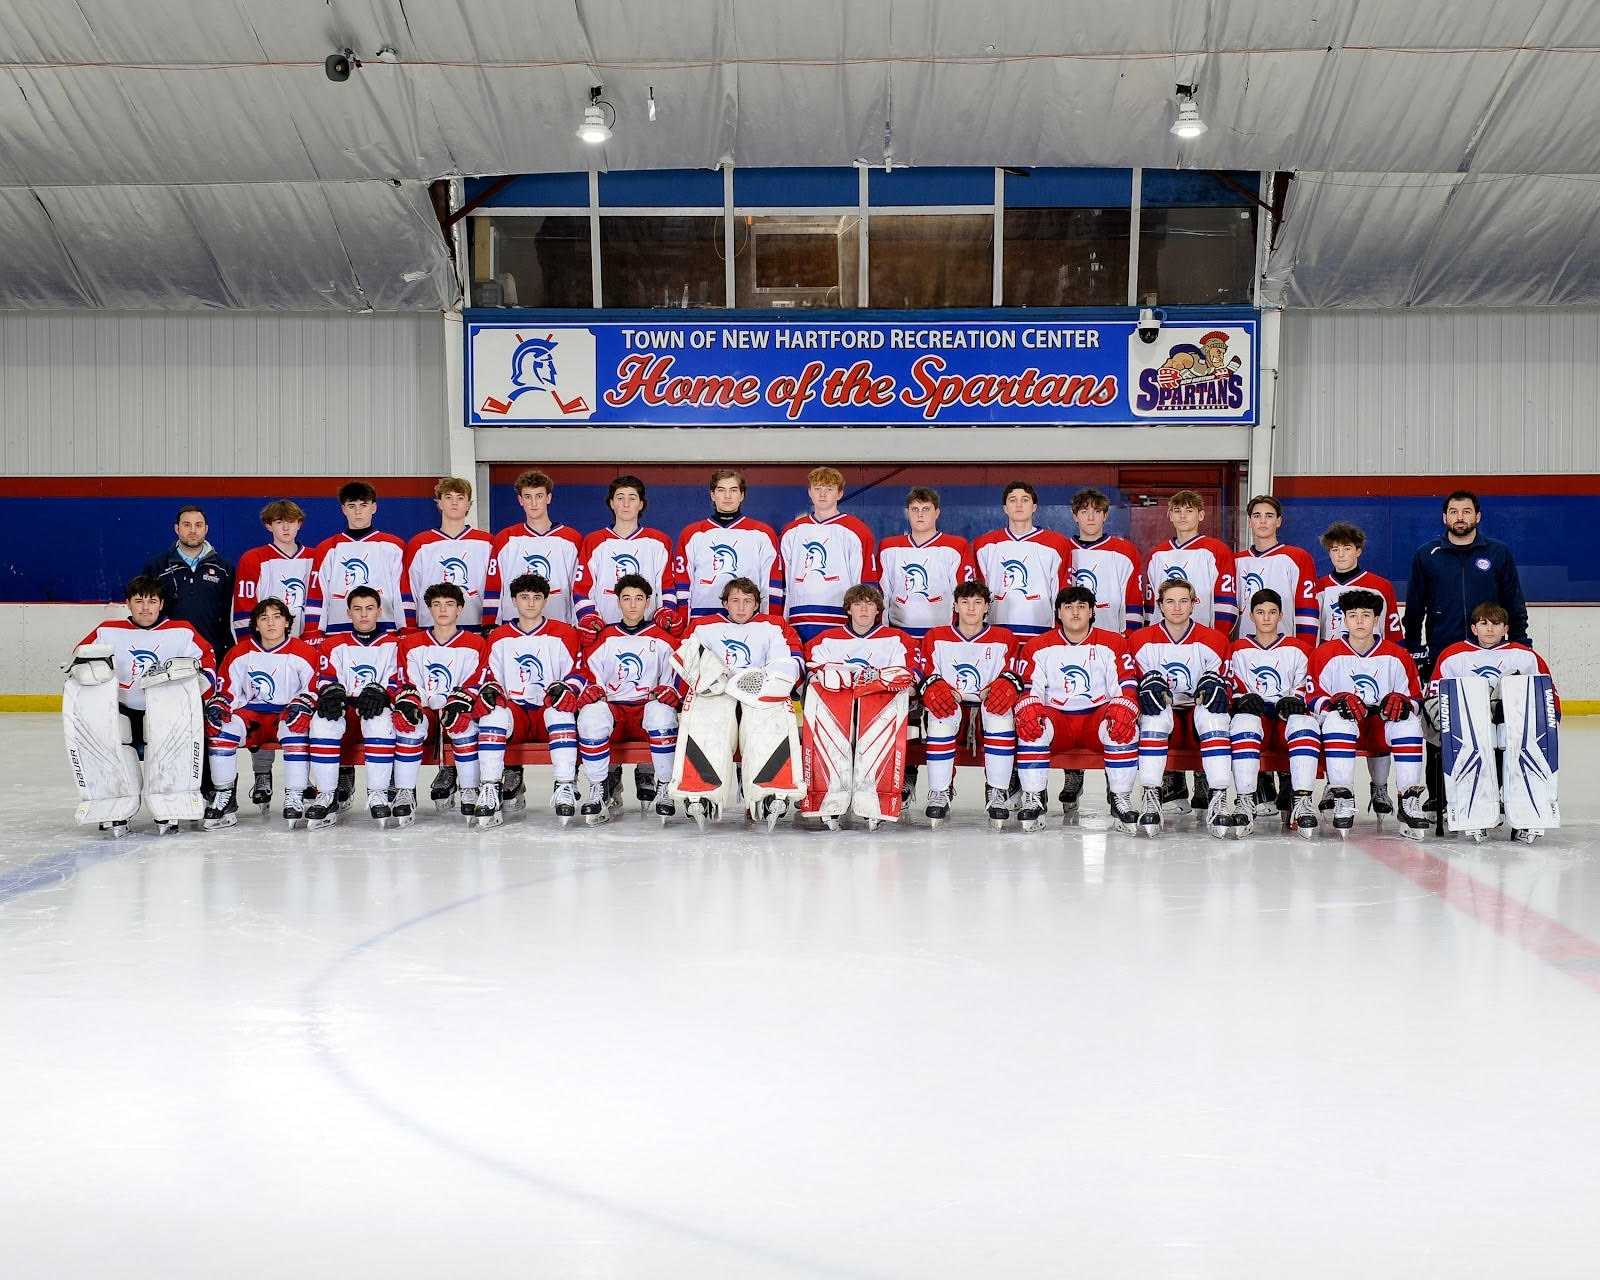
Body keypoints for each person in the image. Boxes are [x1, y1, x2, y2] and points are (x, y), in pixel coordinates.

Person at [64, 575, 217, 836]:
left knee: (172, 744)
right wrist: (86, 670)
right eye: (139, 601)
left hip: (167, 710)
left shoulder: (182, 631)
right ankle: (112, 804)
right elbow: (79, 657)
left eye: (152, 601)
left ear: (161, 604)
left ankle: (172, 803)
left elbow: (208, 660)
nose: (145, 608)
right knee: (106, 740)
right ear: (128, 604)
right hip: (121, 709)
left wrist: (203, 682)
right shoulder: (107, 630)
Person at [673, 576, 806, 828]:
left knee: (769, 716)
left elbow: (790, 658)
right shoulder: (703, 626)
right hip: (717, 694)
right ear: (725, 603)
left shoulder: (774, 625)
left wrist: (769, 682)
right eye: (735, 600)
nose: (741, 607)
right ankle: (700, 792)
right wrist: (712, 679)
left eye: (748, 601)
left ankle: (770, 792)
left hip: (757, 692)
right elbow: (687, 656)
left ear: (757, 604)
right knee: (706, 717)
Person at [1010, 585, 1141, 834]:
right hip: (1059, 722)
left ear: (1092, 611)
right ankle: (1033, 798)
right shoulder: (1038, 646)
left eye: (1082, 607)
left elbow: (1125, 684)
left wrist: (1125, 706)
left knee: (1123, 723)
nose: (1075, 613)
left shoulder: (1113, 643)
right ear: (1058, 612)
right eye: (1068, 607)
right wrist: (1027, 707)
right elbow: (1030, 689)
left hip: (1095, 719)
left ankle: (1121, 798)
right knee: (1030, 723)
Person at [1428, 602, 1559, 843]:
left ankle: (1527, 813)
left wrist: (1551, 723)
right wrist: (1443, 727)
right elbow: (1435, 696)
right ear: (1474, 628)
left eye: (1496, 624)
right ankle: (1473, 811)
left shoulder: (1525, 656)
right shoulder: (1453, 655)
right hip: (1470, 730)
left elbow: (1546, 694)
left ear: (1506, 628)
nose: (1490, 629)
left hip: (1513, 727)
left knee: (1522, 746)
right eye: (1483, 623)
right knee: (1474, 744)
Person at [1144, 490, 1236, 814]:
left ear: (1201, 515)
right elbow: (1149, 608)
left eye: (1189, 510)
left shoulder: (1216, 551)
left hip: (1202, 646)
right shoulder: (1156, 555)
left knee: (1205, 706)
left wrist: (1215, 645)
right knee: (1159, 702)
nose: (1183, 516)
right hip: (1163, 643)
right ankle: (1171, 784)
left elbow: (1226, 604)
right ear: (1169, 515)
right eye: (1177, 511)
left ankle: (1203, 781)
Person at [1309, 589, 1428, 838]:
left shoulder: (1397, 654)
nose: (1359, 621)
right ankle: (1341, 795)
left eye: (1366, 615)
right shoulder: (1324, 653)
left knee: (1408, 723)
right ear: (1344, 618)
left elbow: (1417, 699)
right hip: (1343, 732)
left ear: (1376, 620)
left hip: (1379, 729)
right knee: (1336, 718)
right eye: (1353, 615)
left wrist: (1404, 702)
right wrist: (1335, 702)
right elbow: (1312, 698)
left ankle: (1409, 799)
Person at [801, 584, 921, 828]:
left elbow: (911, 674)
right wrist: (829, 675)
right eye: (858, 604)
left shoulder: (898, 639)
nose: (864, 609)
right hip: (839, 711)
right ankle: (828, 798)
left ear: (878, 609)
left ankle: (875, 800)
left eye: (869, 604)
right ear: (849, 609)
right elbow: (811, 669)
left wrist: (877, 681)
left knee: (875, 727)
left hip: (879, 711)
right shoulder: (827, 639)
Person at [1126, 578, 1237, 836]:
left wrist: (1219, 687)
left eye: (1183, 601)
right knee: (1154, 713)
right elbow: (1129, 684)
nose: (1177, 608)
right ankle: (1152, 795)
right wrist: (1143, 687)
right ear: (1160, 606)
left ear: (1193, 605)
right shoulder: (1141, 640)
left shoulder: (1214, 640)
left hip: (1196, 718)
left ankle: (1219, 797)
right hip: (1166, 717)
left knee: (1214, 714)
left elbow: (1227, 685)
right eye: (1170, 602)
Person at [204, 597, 322, 828]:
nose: (271, 623)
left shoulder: (304, 652)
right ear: (256, 625)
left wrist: (303, 705)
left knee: (296, 727)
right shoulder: (239, 653)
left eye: (277, 617)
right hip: (252, 716)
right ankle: (223, 795)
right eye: (264, 618)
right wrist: (219, 706)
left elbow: (313, 688)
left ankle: (295, 794)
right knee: (221, 729)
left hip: (285, 714)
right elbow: (227, 690)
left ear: (288, 623)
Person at [476, 573, 583, 825]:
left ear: (545, 601)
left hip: (548, 709)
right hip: (516, 714)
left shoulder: (565, 633)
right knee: (492, 713)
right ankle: (490, 786)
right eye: (524, 597)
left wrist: (567, 688)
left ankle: (565, 785)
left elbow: (578, 671)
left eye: (537, 597)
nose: (531, 603)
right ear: (513, 601)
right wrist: (490, 691)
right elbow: (489, 676)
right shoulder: (499, 636)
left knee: (562, 711)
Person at [574, 574, 681, 823]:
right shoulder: (604, 637)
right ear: (618, 602)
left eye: (638, 599)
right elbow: (590, 675)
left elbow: (675, 677)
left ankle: (664, 787)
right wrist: (591, 691)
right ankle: (598, 788)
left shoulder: (663, 638)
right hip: (616, 714)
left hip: (645, 712)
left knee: (663, 712)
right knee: (591, 715)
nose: (632, 604)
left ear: (648, 602)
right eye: (626, 599)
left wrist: (670, 691)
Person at [1313, 521, 1403, 817]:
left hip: (1374, 661)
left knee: (1381, 718)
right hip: (1335, 664)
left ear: (1359, 550)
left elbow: (1392, 632)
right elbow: (1316, 631)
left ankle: (1380, 787)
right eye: (1334, 550)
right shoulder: (1320, 587)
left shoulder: (1380, 586)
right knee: (1334, 721)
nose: (1340, 555)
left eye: (1347, 549)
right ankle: (1334, 784)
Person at [916, 581, 1022, 827]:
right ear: (955, 606)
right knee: (941, 713)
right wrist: (936, 687)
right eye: (965, 602)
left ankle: (997, 792)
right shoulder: (936, 636)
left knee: (999, 710)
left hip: (985, 710)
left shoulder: (1004, 638)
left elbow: (1012, 674)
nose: (971, 608)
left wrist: (1002, 686)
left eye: (977, 603)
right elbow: (926, 674)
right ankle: (939, 791)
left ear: (987, 607)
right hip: (953, 707)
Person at [390, 583, 496, 824]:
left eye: (449, 604)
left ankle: (469, 789)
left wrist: (461, 702)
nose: (442, 610)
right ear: (429, 609)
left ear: (459, 609)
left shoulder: (476, 643)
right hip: (426, 708)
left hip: (457, 707)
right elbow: (406, 681)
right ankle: (405, 792)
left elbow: (478, 679)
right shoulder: (411, 643)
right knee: (410, 724)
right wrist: (410, 703)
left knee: (464, 724)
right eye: (436, 605)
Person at [1224, 589, 1321, 837]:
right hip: (1256, 723)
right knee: (1244, 721)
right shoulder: (1236, 649)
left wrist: (1297, 701)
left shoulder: (1299, 649)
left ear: (1280, 615)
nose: (1266, 618)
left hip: (1282, 723)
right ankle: (1245, 799)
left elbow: (1306, 687)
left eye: (1272, 612)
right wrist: (1239, 700)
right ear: (1251, 616)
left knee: (1305, 725)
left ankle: (1302, 802)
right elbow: (1229, 686)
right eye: (1260, 612)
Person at [1404, 490, 1530, 673]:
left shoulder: (1498, 552)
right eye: (1454, 512)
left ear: (1478, 517)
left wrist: (1520, 643)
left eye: (1467, 511)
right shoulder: (1426, 554)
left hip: (1492, 650)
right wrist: (1414, 648)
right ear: (1444, 518)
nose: (1460, 517)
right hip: (1443, 651)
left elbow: (1514, 602)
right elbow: (1414, 607)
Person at [306, 585, 401, 825]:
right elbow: (325, 678)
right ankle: (326, 794)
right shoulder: (333, 644)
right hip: (346, 709)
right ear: (348, 613)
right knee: (322, 721)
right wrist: (331, 691)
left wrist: (384, 693)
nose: (364, 614)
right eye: (357, 609)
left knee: (379, 719)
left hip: (377, 708)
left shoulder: (394, 645)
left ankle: (378, 793)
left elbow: (399, 680)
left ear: (380, 611)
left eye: (369, 608)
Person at [572, 474, 679, 641]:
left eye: (632, 498)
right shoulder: (594, 541)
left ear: (641, 504)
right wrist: (589, 618)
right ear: (612, 503)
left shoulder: (659, 541)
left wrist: (667, 612)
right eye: (620, 498)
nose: (626, 504)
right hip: (605, 632)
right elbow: (582, 588)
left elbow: (667, 587)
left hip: (648, 632)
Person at [779, 466, 878, 644]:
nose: (822, 495)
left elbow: (866, 581)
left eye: (829, 489)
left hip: (840, 618)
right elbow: (783, 581)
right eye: (817, 489)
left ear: (840, 493)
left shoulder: (857, 530)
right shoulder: (792, 531)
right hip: (798, 617)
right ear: (810, 492)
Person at [302, 481, 411, 638]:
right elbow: (318, 595)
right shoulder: (327, 548)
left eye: (363, 505)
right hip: (338, 633)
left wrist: (405, 630)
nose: (358, 511)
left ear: (373, 507)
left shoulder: (393, 546)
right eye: (352, 506)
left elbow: (402, 594)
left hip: (385, 634)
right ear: (344, 509)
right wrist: (314, 633)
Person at [674, 468, 783, 620]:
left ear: (742, 495)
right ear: (712, 495)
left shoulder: (762, 533)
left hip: (747, 620)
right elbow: (683, 587)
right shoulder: (692, 534)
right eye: (721, 490)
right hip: (702, 620)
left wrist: (769, 624)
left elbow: (771, 587)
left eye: (733, 490)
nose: (727, 496)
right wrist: (685, 624)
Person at [484, 469, 585, 627]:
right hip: (514, 628)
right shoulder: (505, 539)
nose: (533, 503)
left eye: (539, 496)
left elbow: (578, 587)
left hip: (559, 626)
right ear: (520, 500)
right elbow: (493, 586)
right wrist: (489, 624)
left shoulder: (572, 539)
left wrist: (579, 625)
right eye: (527, 497)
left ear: (548, 498)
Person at [972, 480, 1072, 639]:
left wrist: (1060, 632)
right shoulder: (985, 544)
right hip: (996, 632)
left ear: (1034, 507)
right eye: (1013, 500)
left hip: (1041, 631)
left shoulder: (1057, 544)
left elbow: (1063, 592)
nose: (1019, 504)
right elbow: (977, 593)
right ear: (1005, 508)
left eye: (1025, 500)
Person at [878, 486, 979, 639]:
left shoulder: (955, 546)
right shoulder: (889, 547)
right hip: (899, 634)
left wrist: (958, 634)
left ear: (937, 513)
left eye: (926, 509)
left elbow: (964, 594)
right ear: (908, 513)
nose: (920, 514)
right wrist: (883, 633)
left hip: (942, 635)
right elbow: (883, 594)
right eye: (914, 509)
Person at [144, 504, 235, 660]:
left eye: (198, 525)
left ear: (206, 529)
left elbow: (230, 613)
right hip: (169, 652)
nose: (193, 530)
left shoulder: (224, 568)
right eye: (187, 525)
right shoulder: (156, 567)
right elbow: (146, 609)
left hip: (213, 653)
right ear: (176, 529)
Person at [403, 476, 495, 629]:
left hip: (475, 629)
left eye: (460, 497)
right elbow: (410, 591)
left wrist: (490, 625)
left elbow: (494, 589)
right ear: (439, 503)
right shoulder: (419, 544)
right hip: (430, 630)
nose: (454, 502)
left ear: (469, 504)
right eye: (448, 497)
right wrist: (410, 628)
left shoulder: (487, 543)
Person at [1235, 496, 1318, 640]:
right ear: (1249, 521)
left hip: (1286, 650)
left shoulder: (1298, 557)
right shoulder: (1235, 561)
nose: (1262, 521)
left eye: (1269, 516)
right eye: (1257, 516)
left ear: (1278, 521)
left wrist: (1306, 649)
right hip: (1244, 648)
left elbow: (1307, 611)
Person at [1065, 488, 1143, 637]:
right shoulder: (1063, 550)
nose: (1091, 518)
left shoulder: (1125, 551)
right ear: (1075, 516)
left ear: (1105, 515)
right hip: (1071, 640)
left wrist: (1130, 637)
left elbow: (1133, 600)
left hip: (1112, 637)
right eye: (1084, 512)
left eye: (1097, 512)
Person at [233, 500, 314, 640]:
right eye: (279, 522)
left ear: (299, 524)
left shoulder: (316, 557)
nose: (286, 527)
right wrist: (249, 643)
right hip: (267, 643)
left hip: (307, 643)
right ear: (269, 526)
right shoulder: (252, 558)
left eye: (291, 521)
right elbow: (244, 607)